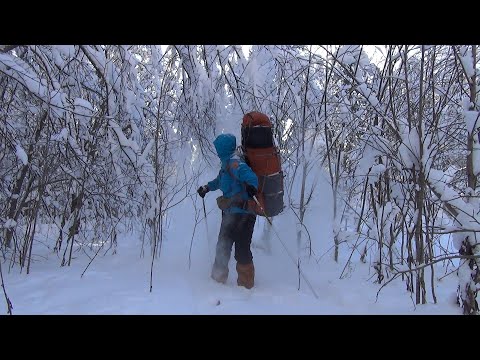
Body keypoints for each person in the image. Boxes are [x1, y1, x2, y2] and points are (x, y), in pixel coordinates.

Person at [197, 133, 258, 289]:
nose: (216, 151)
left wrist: (252, 186)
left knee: (242, 249)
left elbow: (251, 177)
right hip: (230, 213)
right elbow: (219, 181)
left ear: (223, 149)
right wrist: (207, 187)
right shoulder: (226, 165)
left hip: (244, 214)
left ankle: (246, 286)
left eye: (218, 148)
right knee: (223, 245)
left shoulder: (235, 163)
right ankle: (217, 280)